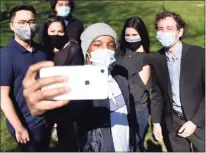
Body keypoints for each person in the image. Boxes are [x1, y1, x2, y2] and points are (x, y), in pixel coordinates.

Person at [22, 23, 140, 152]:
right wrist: (39, 113)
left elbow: (131, 123)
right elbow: (64, 116)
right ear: (87, 50)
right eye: (98, 45)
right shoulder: (76, 85)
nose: (105, 50)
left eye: (111, 45)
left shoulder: (121, 80)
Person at [148, 11, 205, 152]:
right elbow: (156, 94)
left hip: (200, 122)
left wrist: (195, 122)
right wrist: (156, 123)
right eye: (160, 29)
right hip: (173, 122)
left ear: (180, 32)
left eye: (169, 28)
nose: (164, 33)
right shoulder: (156, 59)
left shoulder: (199, 55)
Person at [0, 5, 52, 152]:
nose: (27, 26)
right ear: (12, 26)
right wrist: (19, 127)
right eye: (21, 22)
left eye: (31, 21)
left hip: (45, 119)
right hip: (26, 123)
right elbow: (3, 96)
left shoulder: (42, 51)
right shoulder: (6, 55)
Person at [41, 16, 84, 151]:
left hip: (66, 106)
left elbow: (76, 79)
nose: (57, 35)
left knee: (68, 144)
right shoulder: (43, 51)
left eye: (60, 31)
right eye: (52, 31)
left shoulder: (72, 50)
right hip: (45, 104)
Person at [115, 16, 151, 151]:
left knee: (135, 146)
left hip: (137, 111)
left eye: (134, 35)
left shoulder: (146, 58)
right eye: (127, 35)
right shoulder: (120, 52)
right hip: (118, 107)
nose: (130, 38)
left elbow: (139, 90)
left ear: (141, 35)